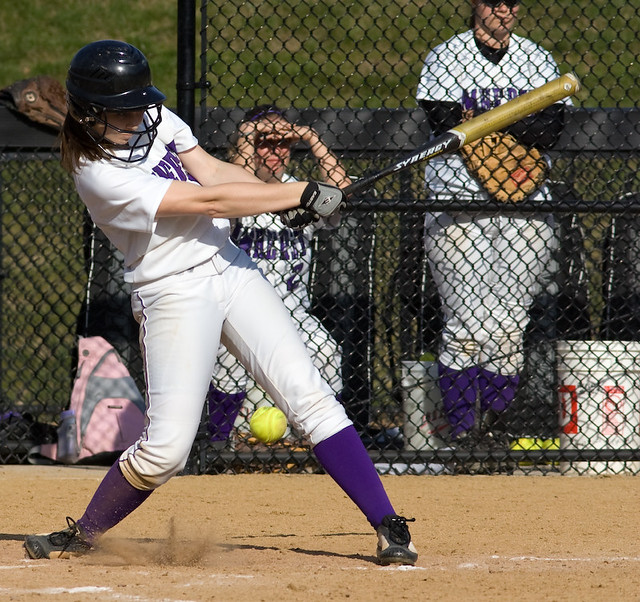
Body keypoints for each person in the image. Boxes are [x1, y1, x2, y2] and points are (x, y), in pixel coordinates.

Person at [23, 40, 417, 566]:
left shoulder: (154, 118)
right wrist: (294, 195)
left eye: (141, 102)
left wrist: (284, 194)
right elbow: (203, 202)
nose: (139, 115)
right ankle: (86, 531)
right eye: (124, 109)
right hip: (172, 293)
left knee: (309, 395)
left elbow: (212, 173)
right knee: (166, 450)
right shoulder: (97, 174)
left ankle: (388, 524)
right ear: (91, 116)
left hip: (229, 268)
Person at [415, 0, 569, 449]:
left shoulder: (536, 56)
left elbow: (552, 129)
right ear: (474, 6)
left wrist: (482, 123)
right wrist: (522, 116)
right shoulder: (448, 55)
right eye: (492, 0)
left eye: (511, 1)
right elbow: (444, 123)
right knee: (465, 325)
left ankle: (493, 431)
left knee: (507, 327)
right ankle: (464, 433)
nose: (503, 9)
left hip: (526, 201)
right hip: (457, 199)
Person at [207, 105, 349, 445]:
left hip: (292, 312)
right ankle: (216, 447)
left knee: (327, 353)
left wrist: (311, 137)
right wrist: (247, 135)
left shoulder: (300, 190)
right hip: (236, 311)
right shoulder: (235, 184)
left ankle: (321, 448)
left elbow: (343, 192)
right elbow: (236, 187)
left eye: (283, 143)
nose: (275, 152)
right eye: (264, 142)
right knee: (229, 364)